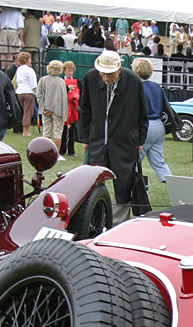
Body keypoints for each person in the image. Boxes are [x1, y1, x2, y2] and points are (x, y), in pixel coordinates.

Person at [79, 50, 147, 223]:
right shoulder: (90, 78)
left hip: (125, 141)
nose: (106, 78)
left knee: (123, 183)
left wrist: (140, 140)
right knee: (92, 181)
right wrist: (85, 138)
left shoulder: (133, 81)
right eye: (103, 73)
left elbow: (142, 114)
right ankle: (93, 218)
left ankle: (118, 223)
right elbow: (85, 110)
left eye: (110, 74)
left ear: (119, 69)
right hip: (97, 140)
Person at [129, 58, 173, 185]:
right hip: (159, 125)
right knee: (159, 162)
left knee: (135, 161)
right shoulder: (156, 87)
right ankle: (174, 187)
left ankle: (139, 191)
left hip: (145, 125)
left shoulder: (137, 87)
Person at [37, 60, 67, 149]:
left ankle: (45, 152)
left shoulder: (43, 79)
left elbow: (39, 95)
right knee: (58, 133)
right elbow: (62, 98)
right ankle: (56, 154)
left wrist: (44, 107)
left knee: (46, 132)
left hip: (46, 109)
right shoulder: (61, 81)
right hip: (58, 110)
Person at [14, 51, 37, 136]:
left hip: (19, 92)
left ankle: (24, 129)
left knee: (24, 111)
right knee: (28, 112)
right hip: (28, 92)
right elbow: (33, 84)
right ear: (27, 59)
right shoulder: (30, 70)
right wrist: (37, 93)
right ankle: (26, 131)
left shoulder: (18, 69)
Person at [61, 61, 80, 156]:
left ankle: (71, 151)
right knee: (63, 129)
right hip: (64, 107)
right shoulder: (61, 81)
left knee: (73, 129)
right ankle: (62, 150)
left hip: (73, 107)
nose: (70, 73)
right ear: (64, 71)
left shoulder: (77, 81)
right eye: (68, 71)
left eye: (71, 71)